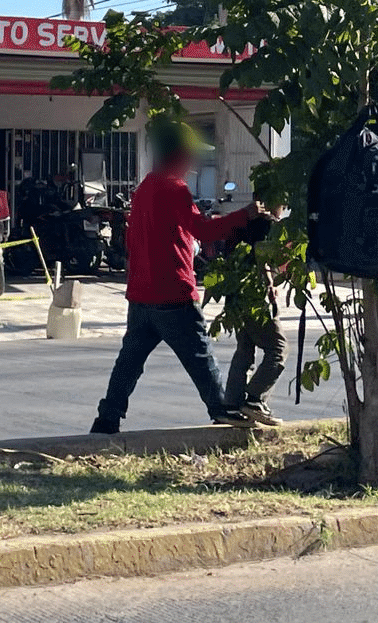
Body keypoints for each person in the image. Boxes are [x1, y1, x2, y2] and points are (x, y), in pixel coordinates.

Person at [91, 119, 270, 434]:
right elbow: (204, 230)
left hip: (141, 295)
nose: (193, 162)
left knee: (128, 363)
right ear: (178, 155)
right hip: (173, 292)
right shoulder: (175, 189)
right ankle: (220, 410)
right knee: (200, 357)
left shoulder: (145, 187)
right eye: (190, 155)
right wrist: (246, 214)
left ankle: (107, 418)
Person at [218, 214, 288, 427]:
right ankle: (255, 399)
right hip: (254, 294)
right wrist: (269, 285)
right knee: (278, 348)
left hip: (236, 294)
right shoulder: (269, 224)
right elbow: (263, 257)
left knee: (245, 348)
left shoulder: (243, 221)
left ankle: (232, 404)